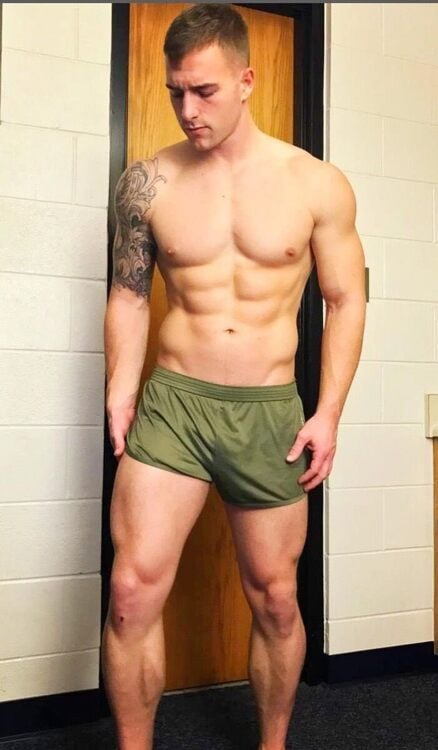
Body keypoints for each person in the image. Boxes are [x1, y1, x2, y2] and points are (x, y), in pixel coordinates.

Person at [101, 4, 366, 750]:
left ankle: (273, 744)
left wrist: (329, 412)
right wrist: (121, 389)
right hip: (174, 403)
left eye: (205, 91)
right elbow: (128, 294)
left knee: (276, 598)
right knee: (130, 592)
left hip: (268, 412)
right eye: (176, 91)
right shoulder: (146, 182)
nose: (188, 109)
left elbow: (346, 300)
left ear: (246, 81)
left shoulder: (316, 184)